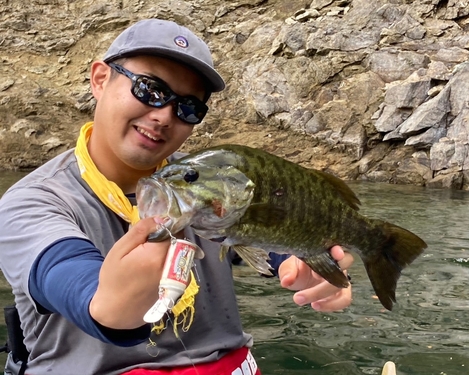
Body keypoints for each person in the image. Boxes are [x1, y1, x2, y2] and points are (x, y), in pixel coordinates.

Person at [0, 19, 354, 375]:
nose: (164, 116)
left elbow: (267, 236)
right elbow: (75, 283)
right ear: (100, 79)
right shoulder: (30, 203)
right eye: (150, 89)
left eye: (188, 108)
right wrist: (113, 304)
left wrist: (312, 267)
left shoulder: (207, 180)